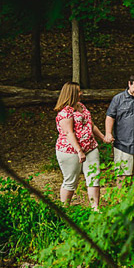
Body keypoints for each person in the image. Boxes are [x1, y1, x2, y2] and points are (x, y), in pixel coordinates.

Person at [53, 82, 105, 210]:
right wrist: (79, 151)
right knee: (71, 181)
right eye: (78, 91)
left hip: (90, 148)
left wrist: (103, 137)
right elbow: (69, 133)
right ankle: (65, 209)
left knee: (94, 177)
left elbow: (91, 125)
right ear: (71, 93)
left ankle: (95, 208)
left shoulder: (81, 106)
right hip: (70, 151)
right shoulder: (65, 113)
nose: (81, 93)